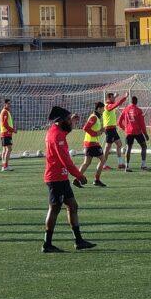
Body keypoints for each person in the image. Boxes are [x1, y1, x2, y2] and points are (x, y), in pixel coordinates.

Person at [43, 106, 95, 253]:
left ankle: (78, 241)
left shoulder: (55, 130)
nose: (70, 121)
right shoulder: (57, 136)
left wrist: (71, 120)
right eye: (67, 119)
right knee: (54, 208)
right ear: (60, 121)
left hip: (61, 176)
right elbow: (65, 159)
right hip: (56, 178)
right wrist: (79, 175)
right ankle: (47, 244)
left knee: (72, 205)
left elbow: (66, 129)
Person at [78, 102, 108, 187]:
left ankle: (77, 179)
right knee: (103, 159)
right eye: (103, 108)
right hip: (92, 143)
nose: (104, 110)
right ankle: (96, 180)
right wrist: (96, 133)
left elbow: (94, 129)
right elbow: (86, 128)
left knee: (87, 162)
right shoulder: (94, 117)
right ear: (99, 108)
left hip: (91, 142)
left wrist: (101, 130)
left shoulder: (96, 117)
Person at [119, 95, 151, 172]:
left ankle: (127, 166)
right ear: (136, 102)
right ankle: (143, 165)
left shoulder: (125, 110)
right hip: (138, 132)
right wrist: (145, 134)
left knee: (128, 148)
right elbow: (142, 124)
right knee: (144, 146)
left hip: (129, 132)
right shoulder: (138, 110)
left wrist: (125, 128)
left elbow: (119, 122)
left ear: (130, 101)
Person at [102, 91, 129, 170]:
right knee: (107, 147)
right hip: (109, 129)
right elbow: (116, 104)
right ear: (109, 98)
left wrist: (115, 96)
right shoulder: (107, 106)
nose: (114, 98)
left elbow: (113, 101)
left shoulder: (109, 103)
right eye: (113, 97)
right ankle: (103, 165)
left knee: (119, 144)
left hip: (113, 129)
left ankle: (120, 163)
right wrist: (125, 97)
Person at [0, 98, 16, 172]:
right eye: (8, 103)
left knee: (5, 149)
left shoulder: (5, 112)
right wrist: (13, 130)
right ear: (5, 104)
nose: (10, 105)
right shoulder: (5, 112)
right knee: (9, 149)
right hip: (6, 133)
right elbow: (5, 124)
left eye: (10, 103)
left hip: (4, 133)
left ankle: (4, 165)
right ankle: (5, 166)